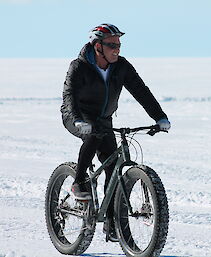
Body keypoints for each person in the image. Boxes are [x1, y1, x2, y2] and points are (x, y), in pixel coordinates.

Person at [60, 23, 171, 241]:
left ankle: (111, 223)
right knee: (92, 136)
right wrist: (79, 120)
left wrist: (159, 117)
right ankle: (79, 181)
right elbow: (69, 96)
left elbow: (141, 91)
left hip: (104, 119)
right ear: (97, 45)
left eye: (119, 45)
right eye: (112, 45)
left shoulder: (121, 66)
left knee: (113, 166)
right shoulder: (79, 67)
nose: (117, 49)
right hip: (76, 116)